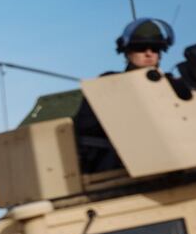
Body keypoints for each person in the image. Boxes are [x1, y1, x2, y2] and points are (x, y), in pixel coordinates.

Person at [74, 18, 175, 174]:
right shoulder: (109, 84)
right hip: (119, 167)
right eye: (141, 48)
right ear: (127, 53)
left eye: (155, 49)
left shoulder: (172, 85)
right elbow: (86, 128)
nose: (149, 53)